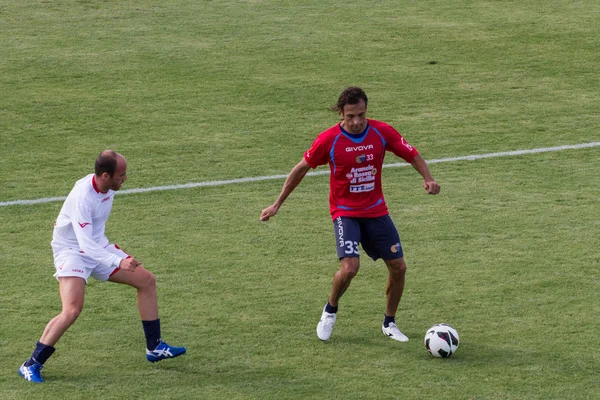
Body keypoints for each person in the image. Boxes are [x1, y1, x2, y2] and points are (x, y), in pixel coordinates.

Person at [260, 87, 440, 342]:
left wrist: (428, 179)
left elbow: (412, 154)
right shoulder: (328, 140)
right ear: (341, 113)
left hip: (376, 211)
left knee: (399, 267)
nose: (356, 122)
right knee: (350, 267)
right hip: (345, 212)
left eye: (361, 115)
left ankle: (389, 323)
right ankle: (330, 309)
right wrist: (277, 204)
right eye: (350, 116)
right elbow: (301, 169)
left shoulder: (381, 132)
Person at [18, 150, 186, 383]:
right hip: (72, 252)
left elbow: (90, 237)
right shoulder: (83, 197)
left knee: (147, 280)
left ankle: (154, 348)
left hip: (98, 246)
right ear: (105, 175)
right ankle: (31, 364)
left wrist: (66, 220)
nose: (125, 179)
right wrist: (118, 261)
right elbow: (85, 244)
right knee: (72, 309)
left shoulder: (104, 186)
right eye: (122, 175)